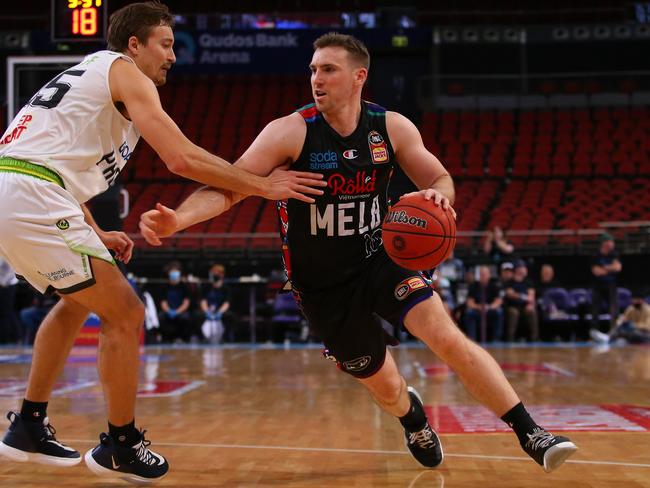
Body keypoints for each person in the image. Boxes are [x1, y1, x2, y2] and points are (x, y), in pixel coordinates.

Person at [139, 32, 577, 473]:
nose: (316, 78)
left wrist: (440, 196)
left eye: (328, 69)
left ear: (358, 76)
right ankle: (413, 417)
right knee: (385, 386)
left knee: (446, 337)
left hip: (381, 259)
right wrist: (178, 219)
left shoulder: (391, 127)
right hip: (322, 287)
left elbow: (440, 177)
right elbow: (228, 187)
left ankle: (531, 433)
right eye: (312, 69)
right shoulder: (290, 132)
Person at [0, 1, 324, 483]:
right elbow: (180, 158)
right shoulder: (124, 71)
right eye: (166, 45)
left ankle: (28, 425)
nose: (173, 56)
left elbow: (51, 160)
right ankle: (121, 444)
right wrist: (262, 186)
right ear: (135, 45)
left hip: (25, 189)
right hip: (29, 194)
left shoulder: (93, 77)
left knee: (75, 303)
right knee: (126, 313)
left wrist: (94, 229)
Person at [462, 266, 503, 342]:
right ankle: (472, 339)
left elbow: (498, 301)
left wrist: (489, 307)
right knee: (469, 313)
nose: (483, 276)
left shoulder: (494, 285)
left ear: (489, 275)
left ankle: (496, 339)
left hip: (490, 310)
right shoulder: (474, 286)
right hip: (477, 310)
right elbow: (469, 302)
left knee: (499, 312)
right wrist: (478, 307)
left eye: (485, 274)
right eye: (481, 274)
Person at [590, 233, 622, 332]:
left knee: (614, 310)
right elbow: (597, 272)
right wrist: (610, 268)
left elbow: (618, 268)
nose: (612, 244)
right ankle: (595, 332)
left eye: (612, 242)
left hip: (611, 285)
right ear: (604, 243)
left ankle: (614, 332)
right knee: (595, 311)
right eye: (610, 242)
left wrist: (604, 268)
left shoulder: (615, 254)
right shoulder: (595, 255)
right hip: (598, 286)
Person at [504, 260, 539, 342]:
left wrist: (530, 303)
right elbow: (510, 294)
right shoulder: (510, 282)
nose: (525, 269)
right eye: (523, 268)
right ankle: (510, 338)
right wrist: (523, 296)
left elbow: (531, 296)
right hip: (512, 306)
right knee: (514, 312)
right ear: (518, 269)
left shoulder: (528, 281)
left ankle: (534, 338)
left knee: (532, 310)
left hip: (524, 306)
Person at [158, 261, 193, 343]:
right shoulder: (164, 286)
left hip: (180, 310)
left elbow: (186, 303)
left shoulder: (184, 286)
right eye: (172, 271)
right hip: (168, 310)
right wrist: (169, 311)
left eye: (175, 271)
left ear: (179, 273)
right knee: (161, 317)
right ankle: (166, 339)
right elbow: (163, 302)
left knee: (186, 317)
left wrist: (177, 312)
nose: (174, 273)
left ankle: (183, 338)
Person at [199, 264, 230, 344]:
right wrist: (206, 312)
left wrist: (220, 312)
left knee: (229, 317)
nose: (215, 275)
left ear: (222, 275)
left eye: (217, 273)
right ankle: (201, 337)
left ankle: (225, 337)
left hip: (220, 310)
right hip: (208, 310)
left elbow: (227, 302)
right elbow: (203, 301)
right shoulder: (206, 286)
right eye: (213, 273)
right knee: (197, 315)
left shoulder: (226, 287)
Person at [0, 257, 20, 344]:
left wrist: (3, 283)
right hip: (4, 283)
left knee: (5, 313)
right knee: (7, 312)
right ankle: (15, 338)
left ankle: (6, 340)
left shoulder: (5, 247)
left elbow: (10, 267)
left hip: (7, 285)